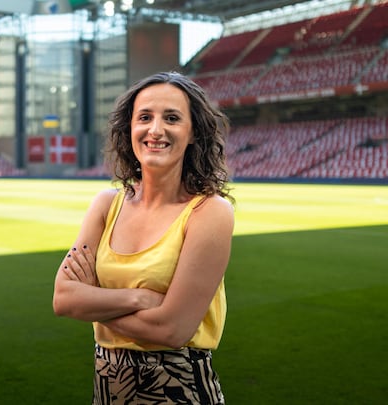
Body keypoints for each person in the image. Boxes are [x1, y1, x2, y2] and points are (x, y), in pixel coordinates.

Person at [53, 71, 235, 404]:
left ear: (193, 132)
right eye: (145, 117)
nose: (156, 130)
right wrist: (138, 298)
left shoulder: (210, 211)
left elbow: (172, 329)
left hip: (180, 390)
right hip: (107, 390)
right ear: (130, 128)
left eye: (172, 118)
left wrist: (93, 299)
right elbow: (64, 299)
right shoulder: (106, 205)